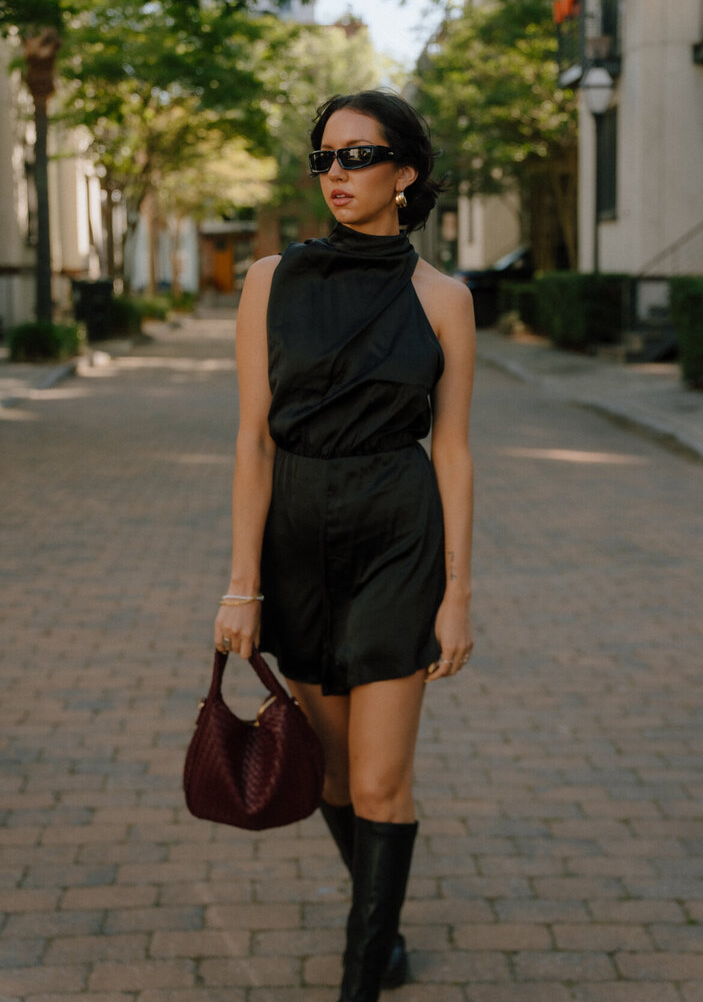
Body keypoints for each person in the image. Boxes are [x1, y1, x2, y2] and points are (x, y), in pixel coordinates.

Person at [213, 90, 475, 1002]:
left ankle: (360, 977)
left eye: (359, 157)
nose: (337, 175)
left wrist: (457, 592)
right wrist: (242, 585)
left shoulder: (442, 298)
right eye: (325, 158)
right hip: (297, 536)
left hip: (398, 533)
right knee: (327, 773)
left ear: (407, 173)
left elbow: (454, 447)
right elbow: (253, 439)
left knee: (378, 781)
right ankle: (386, 928)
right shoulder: (267, 281)